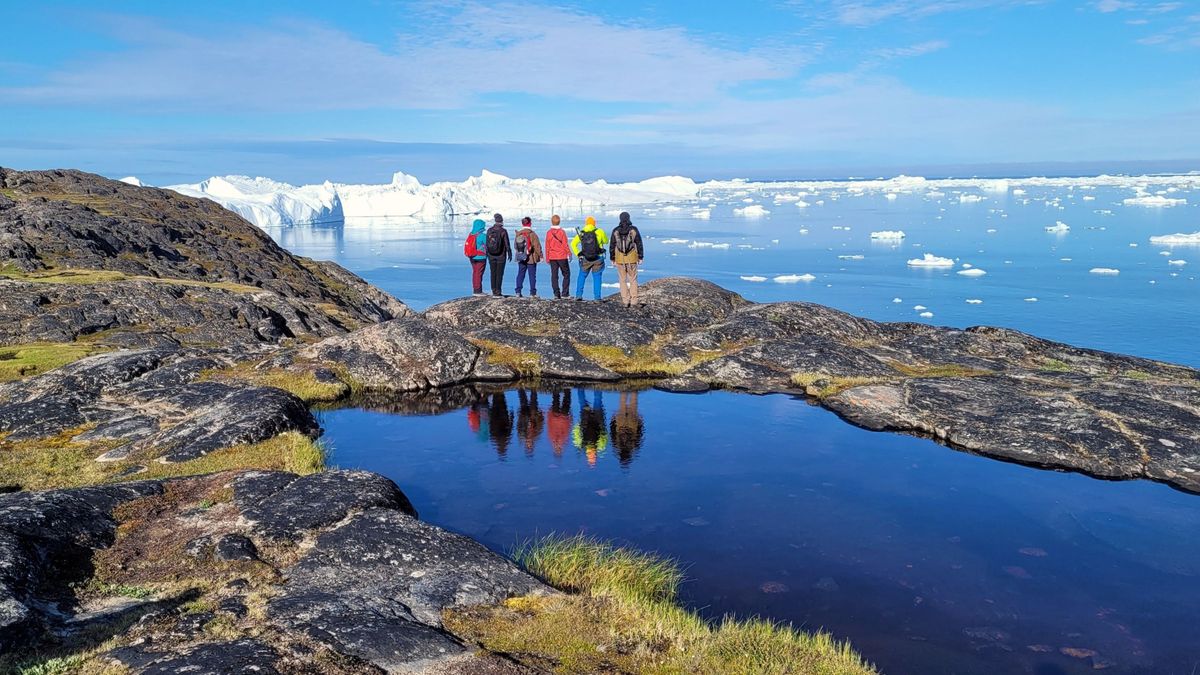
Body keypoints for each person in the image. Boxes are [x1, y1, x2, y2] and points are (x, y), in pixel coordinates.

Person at [609, 211, 644, 307]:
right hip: (632, 258)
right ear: (629, 218)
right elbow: (639, 243)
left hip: (620, 259)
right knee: (633, 280)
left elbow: (612, 245)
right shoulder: (633, 229)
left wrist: (612, 258)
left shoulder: (616, 230)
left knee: (622, 280)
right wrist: (640, 257)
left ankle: (625, 301)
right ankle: (634, 301)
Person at [570, 216, 608, 301]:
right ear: (594, 224)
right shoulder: (600, 231)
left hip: (585, 258)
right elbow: (606, 241)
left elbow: (573, 244)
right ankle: (597, 297)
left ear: (586, 224)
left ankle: (578, 295)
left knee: (582, 276)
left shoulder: (582, 233)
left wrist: (578, 254)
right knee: (597, 277)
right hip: (598, 258)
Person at [572, 388, 608, 467]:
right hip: (587, 419)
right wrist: (580, 423)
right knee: (583, 401)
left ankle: (597, 385)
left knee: (597, 400)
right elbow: (576, 431)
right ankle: (581, 386)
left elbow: (604, 433)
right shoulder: (581, 445)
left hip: (596, 419)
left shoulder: (600, 447)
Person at [609, 390, 645, 467]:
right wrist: (613, 420)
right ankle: (625, 387)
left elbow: (640, 433)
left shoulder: (634, 447)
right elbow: (612, 432)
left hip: (631, 424)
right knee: (623, 403)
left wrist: (640, 422)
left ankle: (633, 387)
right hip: (622, 424)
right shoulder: (617, 446)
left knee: (633, 402)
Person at [513, 217, 543, 297]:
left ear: (522, 224)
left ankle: (518, 291)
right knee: (532, 275)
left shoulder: (518, 234)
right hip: (531, 258)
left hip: (521, 257)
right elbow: (537, 246)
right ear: (530, 223)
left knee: (520, 274)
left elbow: (515, 246)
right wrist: (541, 256)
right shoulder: (532, 234)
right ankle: (532, 293)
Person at [544, 215, 572, 299]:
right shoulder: (562, 232)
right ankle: (565, 293)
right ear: (559, 222)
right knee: (566, 274)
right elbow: (565, 244)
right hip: (562, 256)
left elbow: (547, 246)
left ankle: (556, 294)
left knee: (554, 275)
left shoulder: (549, 233)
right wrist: (569, 253)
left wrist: (547, 257)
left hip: (552, 257)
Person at [484, 213, 511, 296]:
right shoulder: (503, 231)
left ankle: (493, 290)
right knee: (499, 273)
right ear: (501, 221)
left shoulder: (489, 230)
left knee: (493, 273)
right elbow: (507, 243)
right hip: (501, 256)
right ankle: (498, 291)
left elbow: (487, 243)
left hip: (491, 255)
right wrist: (509, 252)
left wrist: (487, 253)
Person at [516, 388, 545, 456]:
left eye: (528, 444)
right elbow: (541, 423)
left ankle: (527, 388)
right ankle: (531, 389)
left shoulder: (522, 436)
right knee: (530, 403)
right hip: (529, 415)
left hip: (527, 415)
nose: (528, 442)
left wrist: (520, 416)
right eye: (529, 444)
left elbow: (519, 425)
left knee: (528, 402)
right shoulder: (536, 435)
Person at [463, 219, 488, 294]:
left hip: (472, 257)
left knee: (475, 272)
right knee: (479, 273)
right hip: (481, 257)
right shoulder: (482, 236)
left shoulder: (471, 234)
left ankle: (476, 289)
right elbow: (488, 245)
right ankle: (478, 291)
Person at [546, 388, 572, 457]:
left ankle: (556, 389)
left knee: (556, 403)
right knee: (565, 405)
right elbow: (568, 427)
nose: (557, 447)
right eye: (559, 449)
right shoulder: (565, 440)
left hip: (556, 417)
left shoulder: (551, 438)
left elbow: (549, 425)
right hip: (562, 417)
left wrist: (550, 414)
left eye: (557, 449)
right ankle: (567, 389)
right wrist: (568, 417)